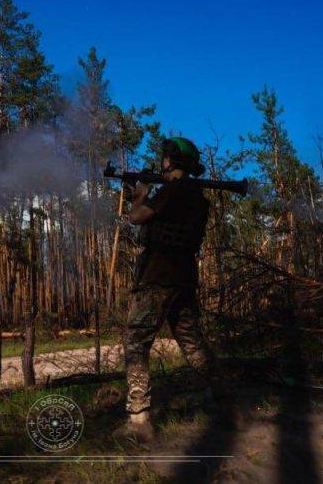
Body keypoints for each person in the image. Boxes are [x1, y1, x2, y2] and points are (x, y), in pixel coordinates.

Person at [121, 136, 227, 442]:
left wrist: (140, 194)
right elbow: (161, 222)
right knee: (192, 344)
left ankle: (139, 419)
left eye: (164, 157)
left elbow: (136, 217)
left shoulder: (173, 191)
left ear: (172, 160)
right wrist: (139, 196)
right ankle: (225, 400)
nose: (161, 161)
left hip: (158, 276)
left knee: (136, 342)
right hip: (183, 278)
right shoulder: (196, 197)